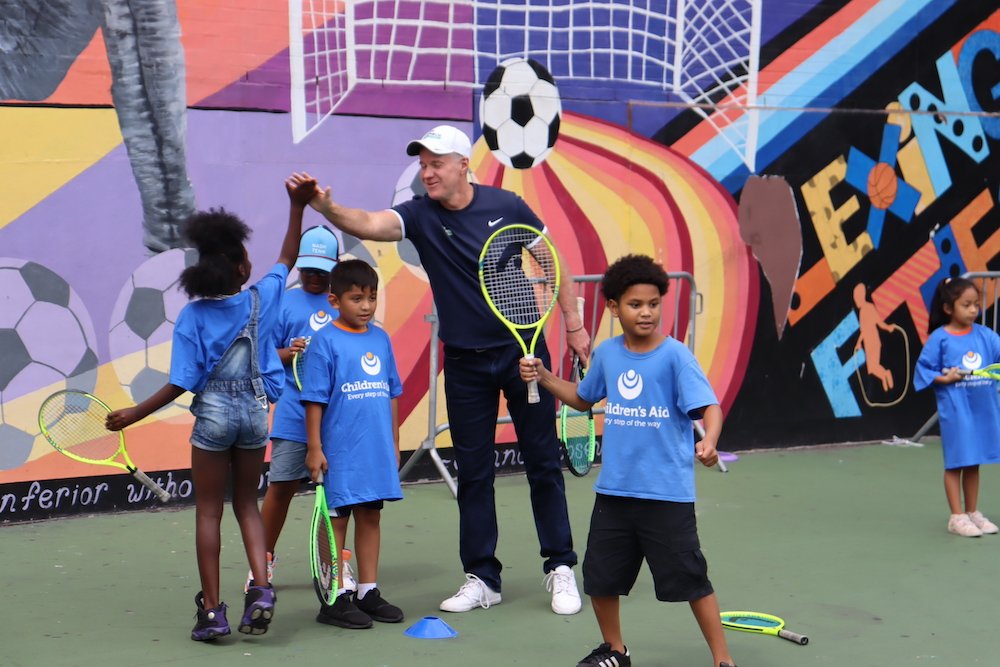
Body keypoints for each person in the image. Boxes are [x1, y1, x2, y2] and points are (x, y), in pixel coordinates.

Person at [297, 124, 589, 615]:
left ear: (461, 166)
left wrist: (575, 325)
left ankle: (560, 568)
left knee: (542, 463)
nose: (427, 172)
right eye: (423, 164)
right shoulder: (419, 216)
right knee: (473, 473)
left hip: (524, 355)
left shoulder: (508, 208)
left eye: (436, 164)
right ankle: (482, 579)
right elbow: (368, 222)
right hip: (465, 363)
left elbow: (550, 259)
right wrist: (325, 207)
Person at [105, 175, 318, 641]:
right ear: (242, 269)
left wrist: (131, 415)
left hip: (214, 417)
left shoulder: (192, 316)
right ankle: (261, 590)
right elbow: (288, 256)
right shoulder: (263, 296)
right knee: (247, 504)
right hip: (255, 415)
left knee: (208, 511)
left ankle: (212, 613)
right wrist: (297, 205)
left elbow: (181, 383)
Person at [520, 255, 737, 667]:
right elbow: (583, 399)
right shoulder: (607, 355)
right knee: (601, 580)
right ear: (614, 307)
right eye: (636, 304)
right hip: (615, 493)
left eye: (654, 303)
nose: (647, 312)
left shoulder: (675, 357)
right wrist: (544, 376)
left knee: (692, 581)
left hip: (666, 495)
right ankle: (616, 651)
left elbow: (710, 407)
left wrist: (710, 439)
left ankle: (723, 660)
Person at [301, 258, 405, 629]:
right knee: (337, 522)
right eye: (357, 298)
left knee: (371, 516)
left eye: (372, 298)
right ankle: (334, 596)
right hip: (339, 452)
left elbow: (392, 391)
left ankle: (367, 591)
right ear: (334, 301)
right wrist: (315, 447)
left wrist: (394, 440)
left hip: (374, 450)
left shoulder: (381, 338)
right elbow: (314, 399)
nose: (366, 306)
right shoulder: (325, 342)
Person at [254, 225, 356, 593]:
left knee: (338, 495)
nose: (313, 277)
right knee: (280, 488)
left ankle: (335, 566)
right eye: (307, 269)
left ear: (335, 266)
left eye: (321, 270)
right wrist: (288, 352)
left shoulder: (344, 302)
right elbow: (261, 356)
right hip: (294, 414)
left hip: (339, 416)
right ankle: (261, 563)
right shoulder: (283, 303)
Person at [914, 277, 1000, 538]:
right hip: (956, 411)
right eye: (966, 305)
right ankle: (957, 516)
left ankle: (972, 512)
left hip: (983, 411)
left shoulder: (987, 336)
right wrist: (946, 378)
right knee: (956, 463)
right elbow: (924, 370)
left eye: (976, 304)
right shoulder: (940, 339)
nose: (974, 310)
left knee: (973, 462)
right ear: (949, 308)